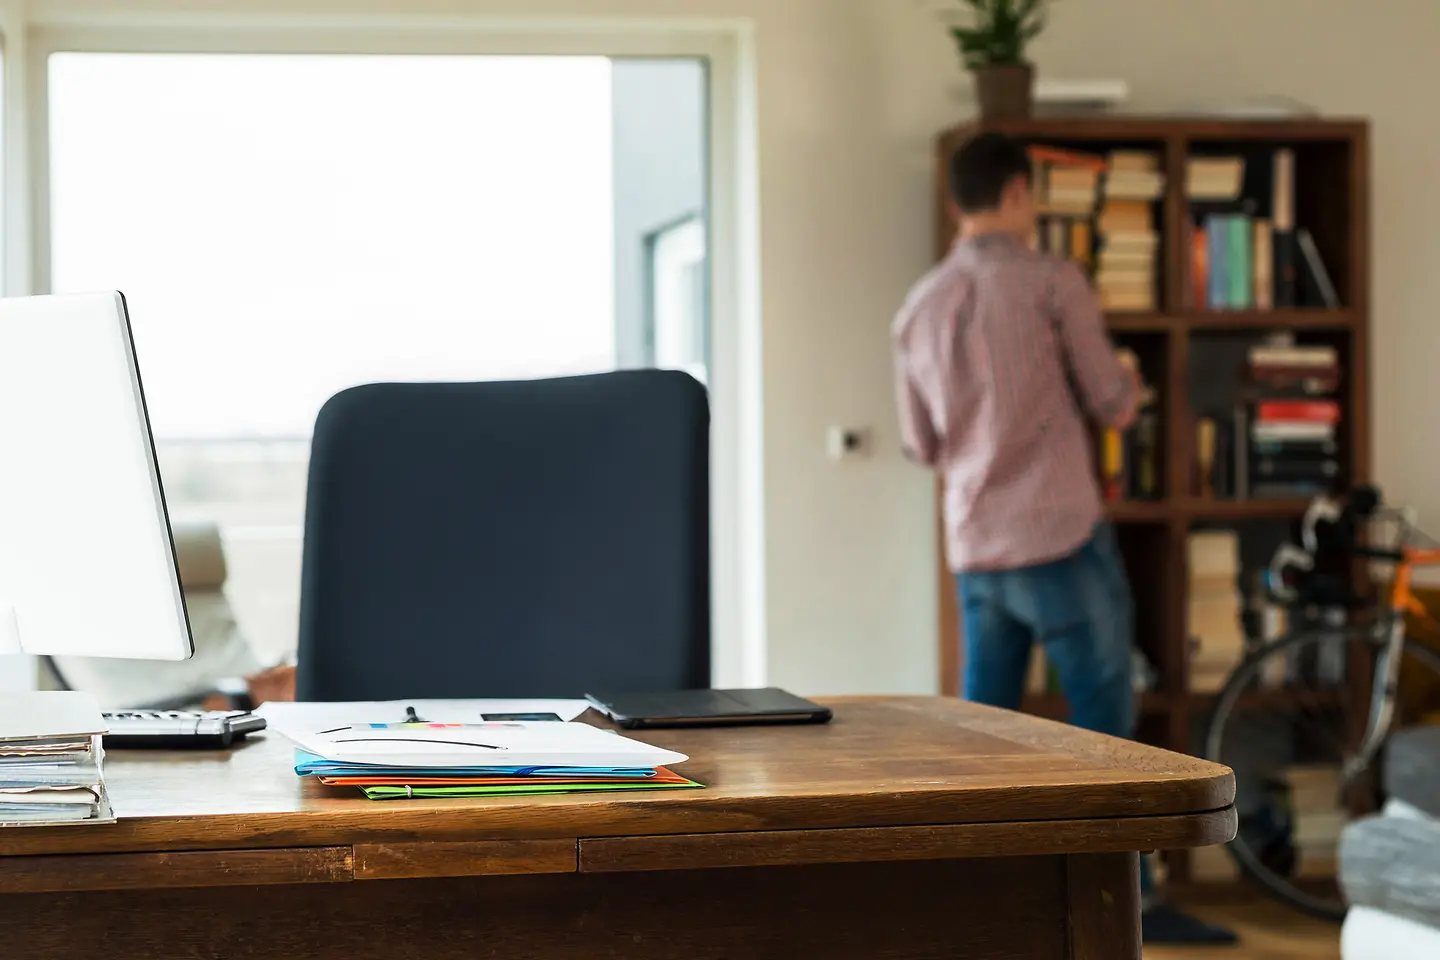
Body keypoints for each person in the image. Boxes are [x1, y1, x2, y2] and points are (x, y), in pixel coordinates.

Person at [891, 132, 1236, 946]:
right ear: (1018, 193)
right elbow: (1111, 401)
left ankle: (984, 903)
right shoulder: (1052, 280)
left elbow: (922, 445)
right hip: (1059, 535)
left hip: (975, 542)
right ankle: (1131, 905)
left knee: (985, 735)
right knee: (1106, 733)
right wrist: (1133, 387)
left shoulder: (921, 304)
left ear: (955, 201)